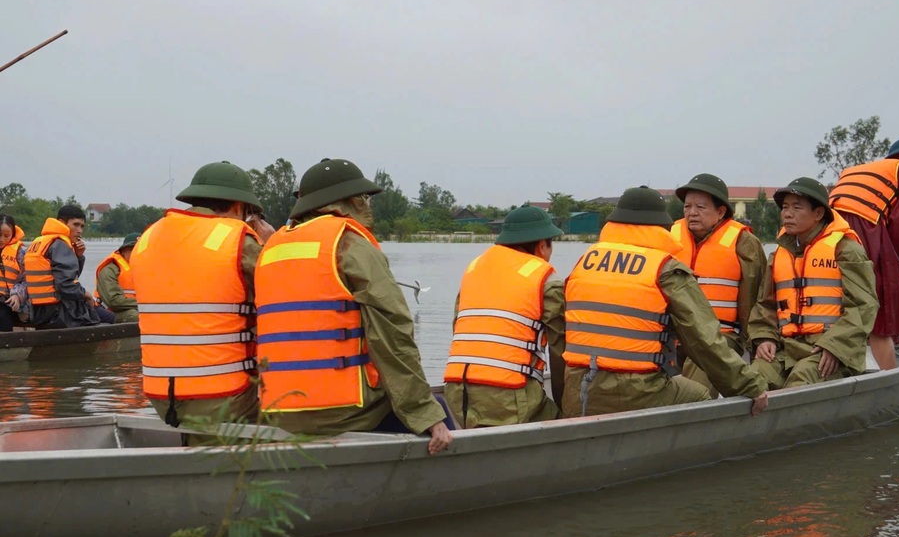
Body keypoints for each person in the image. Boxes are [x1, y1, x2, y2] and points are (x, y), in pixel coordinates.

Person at [255, 158, 452, 455]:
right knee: (439, 411)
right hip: (344, 412)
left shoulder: (269, 249)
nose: (367, 205)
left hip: (278, 413)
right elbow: (392, 336)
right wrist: (426, 415)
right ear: (345, 201)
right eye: (364, 197)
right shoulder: (348, 242)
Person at [561, 186, 768, 418]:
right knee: (699, 396)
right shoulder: (665, 269)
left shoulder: (584, 262)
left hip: (578, 391)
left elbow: (559, 338)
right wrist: (750, 386)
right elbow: (704, 342)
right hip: (637, 394)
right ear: (661, 226)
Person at [132, 161, 276, 430]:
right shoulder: (238, 240)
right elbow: (285, 296)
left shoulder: (148, 237)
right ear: (237, 205)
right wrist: (273, 243)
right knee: (295, 401)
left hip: (160, 397)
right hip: (225, 394)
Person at [749, 177, 878, 389]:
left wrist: (834, 346)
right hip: (785, 349)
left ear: (818, 214)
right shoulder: (779, 254)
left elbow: (864, 306)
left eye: (796, 207)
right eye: (784, 207)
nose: (787, 214)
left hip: (830, 349)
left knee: (802, 380)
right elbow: (765, 305)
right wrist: (764, 338)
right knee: (752, 380)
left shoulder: (846, 250)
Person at [443, 205, 566, 428]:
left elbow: (458, 329)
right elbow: (560, 352)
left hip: (456, 392)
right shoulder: (545, 279)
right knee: (560, 419)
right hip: (508, 397)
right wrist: (567, 406)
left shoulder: (474, 269)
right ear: (541, 246)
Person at [828, 137, 899, 370]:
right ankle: (890, 375)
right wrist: (891, 258)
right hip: (864, 231)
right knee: (881, 307)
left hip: (829, 232)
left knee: (837, 301)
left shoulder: (857, 171)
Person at [670, 174, 767, 396]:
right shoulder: (669, 236)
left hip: (720, 336)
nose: (692, 212)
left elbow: (757, 298)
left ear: (721, 211)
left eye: (700, 207)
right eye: (687, 206)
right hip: (672, 334)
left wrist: (754, 342)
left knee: (695, 388)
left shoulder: (745, 243)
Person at [24, 204, 111, 328]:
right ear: (61, 223)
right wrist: (85, 294)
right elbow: (65, 284)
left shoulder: (40, 242)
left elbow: (67, 277)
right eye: (75, 225)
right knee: (111, 319)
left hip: (40, 312)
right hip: (61, 312)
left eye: (82, 226)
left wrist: (78, 256)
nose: (79, 230)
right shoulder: (60, 244)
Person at [94, 232, 140, 323]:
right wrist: (145, 305)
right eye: (133, 249)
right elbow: (114, 301)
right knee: (135, 316)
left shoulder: (146, 270)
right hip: (107, 311)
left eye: (140, 249)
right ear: (123, 251)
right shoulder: (109, 270)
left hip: (135, 307)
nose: (137, 253)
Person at [0, 214, 30, 332]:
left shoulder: (20, 252)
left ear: (12, 234)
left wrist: (17, 295)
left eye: (6, 236)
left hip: (9, 301)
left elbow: (27, 280)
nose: (2, 239)